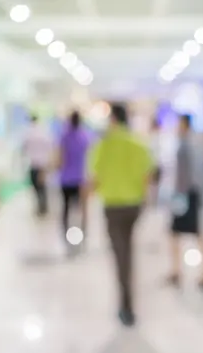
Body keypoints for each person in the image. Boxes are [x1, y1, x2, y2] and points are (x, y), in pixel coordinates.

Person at [86, 103, 153, 327]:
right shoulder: (139, 144)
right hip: (134, 206)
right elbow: (147, 177)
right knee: (128, 249)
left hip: (113, 206)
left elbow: (94, 179)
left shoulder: (103, 145)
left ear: (113, 119)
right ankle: (127, 301)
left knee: (120, 253)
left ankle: (126, 304)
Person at [168, 114, 203, 292]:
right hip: (189, 194)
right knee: (178, 234)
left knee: (192, 234)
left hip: (186, 195)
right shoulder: (193, 143)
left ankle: (202, 273)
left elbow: (190, 174)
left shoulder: (187, 144)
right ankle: (181, 271)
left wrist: (182, 194)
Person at [58, 111, 90, 248]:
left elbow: (60, 157)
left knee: (66, 208)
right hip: (81, 179)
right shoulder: (85, 136)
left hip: (66, 178)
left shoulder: (64, 136)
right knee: (81, 209)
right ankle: (82, 235)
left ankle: (66, 235)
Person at [23, 115, 53, 216]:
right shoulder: (44, 132)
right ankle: (43, 207)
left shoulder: (28, 133)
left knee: (36, 188)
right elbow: (50, 148)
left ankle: (41, 207)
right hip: (43, 165)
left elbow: (24, 148)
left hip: (34, 164)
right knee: (42, 187)